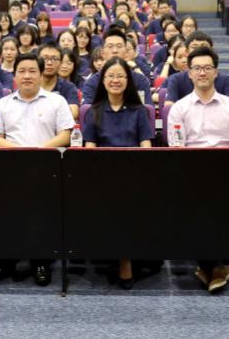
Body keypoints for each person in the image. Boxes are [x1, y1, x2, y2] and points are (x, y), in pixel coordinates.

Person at [0, 53, 74, 287]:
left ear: (41, 74)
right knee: (5, 215)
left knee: (41, 216)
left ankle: (41, 261)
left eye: (32, 71)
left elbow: (66, 135)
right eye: (22, 71)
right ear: (14, 75)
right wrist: (19, 152)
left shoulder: (56, 101)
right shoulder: (4, 104)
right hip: (10, 168)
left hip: (47, 168)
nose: (27, 76)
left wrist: (38, 151)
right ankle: (5, 262)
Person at [166, 47, 229, 293]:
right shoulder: (179, 108)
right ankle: (217, 267)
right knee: (197, 203)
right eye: (197, 68)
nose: (202, 72)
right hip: (192, 172)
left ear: (216, 72)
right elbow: (176, 148)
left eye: (207, 68)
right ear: (189, 73)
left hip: (226, 171)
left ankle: (208, 267)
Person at [83, 56, 154, 290]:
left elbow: (146, 150)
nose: (115, 80)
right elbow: (89, 152)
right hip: (102, 177)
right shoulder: (93, 112)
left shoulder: (139, 111)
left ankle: (125, 259)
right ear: (103, 81)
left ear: (128, 80)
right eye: (110, 76)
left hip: (134, 175)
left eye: (120, 76)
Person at [83, 28, 154, 105]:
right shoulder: (92, 82)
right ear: (103, 53)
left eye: (119, 46)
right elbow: (88, 110)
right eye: (110, 46)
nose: (115, 51)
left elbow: (147, 109)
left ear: (126, 52)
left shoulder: (140, 81)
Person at [37, 42, 79, 118]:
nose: (49, 63)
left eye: (54, 59)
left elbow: (74, 113)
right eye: (45, 58)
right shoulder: (30, 84)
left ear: (60, 63)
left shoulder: (68, 87)